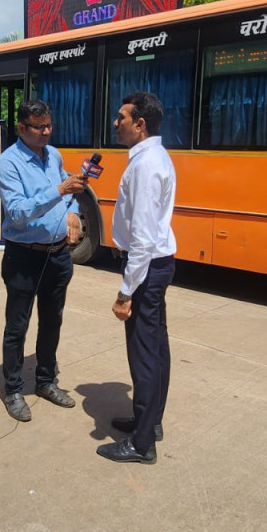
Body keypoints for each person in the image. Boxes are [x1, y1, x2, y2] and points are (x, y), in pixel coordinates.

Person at [0, 99, 85, 422]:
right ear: (21, 128)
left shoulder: (54, 155)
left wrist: (72, 213)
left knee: (52, 321)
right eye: (39, 126)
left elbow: (71, 194)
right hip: (23, 256)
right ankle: (14, 389)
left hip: (58, 254)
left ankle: (45, 380)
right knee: (17, 326)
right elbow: (17, 212)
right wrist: (59, 190)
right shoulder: (8, 164)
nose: (46, 131)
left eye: (49, 125)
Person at [98, 93, 177, 465]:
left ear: (140, 124)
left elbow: (143, 237)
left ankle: (142, 444)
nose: (117, 123)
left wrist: (125, 290)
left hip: (146, 267)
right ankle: (150, 421)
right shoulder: (155, 157)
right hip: (157, 264)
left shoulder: (146, 165)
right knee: (156, 347)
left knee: (145, 354)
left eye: (122, 117)